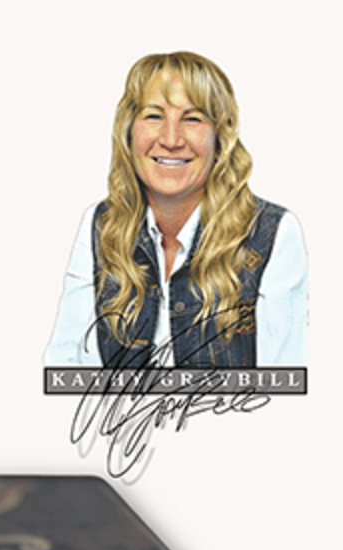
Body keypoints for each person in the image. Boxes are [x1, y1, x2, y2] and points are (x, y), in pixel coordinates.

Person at [45, 51, 306, 368]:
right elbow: (65, 367)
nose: (171, 139)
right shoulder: (100, 224)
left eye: (193, 119)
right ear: (129, 131)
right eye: (154, 116)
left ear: (219, 137)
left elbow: (283, 384)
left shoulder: (272, 233)